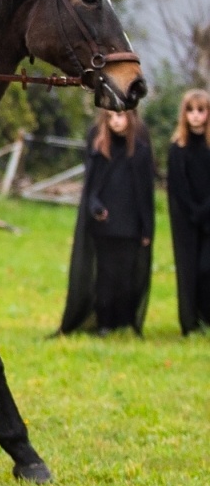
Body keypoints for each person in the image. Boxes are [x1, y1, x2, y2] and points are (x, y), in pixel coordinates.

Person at [58, 108, 154, 336]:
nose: (116, 121)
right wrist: (96, 208)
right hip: (105, 225)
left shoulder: (140, 152)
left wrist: (146, 228)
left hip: (130, 225)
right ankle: (105, 322)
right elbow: (92, 188)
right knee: (106, 275)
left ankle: (124, 321)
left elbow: (145, 194)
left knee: (126, 274)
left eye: (120, 116)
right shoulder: (100, 150)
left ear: (130, 118)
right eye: (110, 117)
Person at [166, 88, 210, 335]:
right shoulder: (178, 147)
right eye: (190, 110)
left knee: (206, 268)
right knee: (189, 270)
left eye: (201, 110)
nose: (195, 116)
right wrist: (193, 211)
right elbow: (177, 185)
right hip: (187, 220)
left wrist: (204, 210)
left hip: (208, 217)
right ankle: (191, 320)